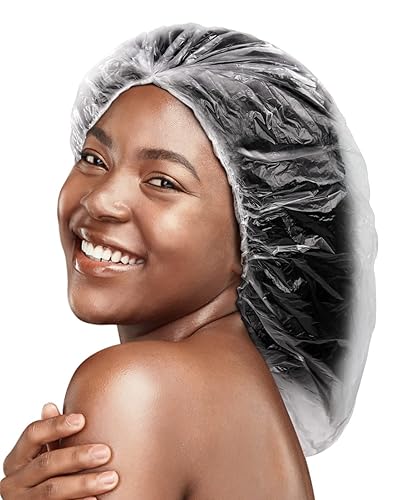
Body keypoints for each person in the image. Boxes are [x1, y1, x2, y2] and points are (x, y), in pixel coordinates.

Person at [0, 22, 377, 499]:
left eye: (163, 181)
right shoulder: (239, 392)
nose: (100, 200)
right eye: (94, 158)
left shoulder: (139, 388)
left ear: (259, 231)